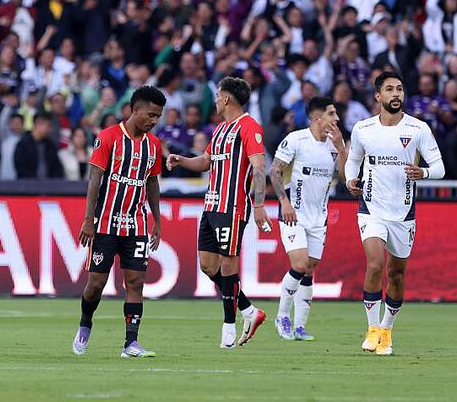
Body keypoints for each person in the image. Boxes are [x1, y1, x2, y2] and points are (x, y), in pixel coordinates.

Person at [345, 72, 445, 355]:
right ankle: (372, 329)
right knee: (375, 264)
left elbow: (439, 168)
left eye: (399, 88)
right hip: (371, 209)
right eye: (389, 89)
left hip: (402, 213)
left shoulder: (418, 129)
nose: (396, 93)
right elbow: (353, 162)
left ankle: (387, 331)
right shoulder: (363, 128)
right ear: (378, 96)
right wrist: (351, 180)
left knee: (397, 274)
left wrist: (422, 171)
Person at [166, 77, 270, 349]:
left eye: (217, 95)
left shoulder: (249, 127)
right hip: (211, 206)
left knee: (228, 266)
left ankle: (228, 328)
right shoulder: (221, 130)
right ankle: (249, 311)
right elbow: (205, 161)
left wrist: (259, 206)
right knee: (208, 266)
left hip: (233, 207)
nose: (214, 100)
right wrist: (182, 161)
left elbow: (259, 168)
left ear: (226, 99)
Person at [72, 86, 165, 358]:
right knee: (96, 285)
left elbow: (152, 183)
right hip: (104, 223)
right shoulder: (109, 138)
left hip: (136, 224)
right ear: (135, 109)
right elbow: (94, 181)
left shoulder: (153, 145)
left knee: (135, 282)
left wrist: (156, 222)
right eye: (150, 115)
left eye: (158, 116)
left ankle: (131, 344)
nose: (154, 121)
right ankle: (85, 323)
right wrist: (89, 219)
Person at [269, 97, 348, 341]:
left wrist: (342, 150)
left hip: (319, 217)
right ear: (316, 118)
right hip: (293, 214)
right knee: (300, 265)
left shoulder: (335, 144)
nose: (336, 119)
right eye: (332, 114)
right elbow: (274, 170)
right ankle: (282, 316)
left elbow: (345, 179)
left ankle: (300, 326)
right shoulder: (296, 140)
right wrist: (284, 202)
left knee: (310, 269)